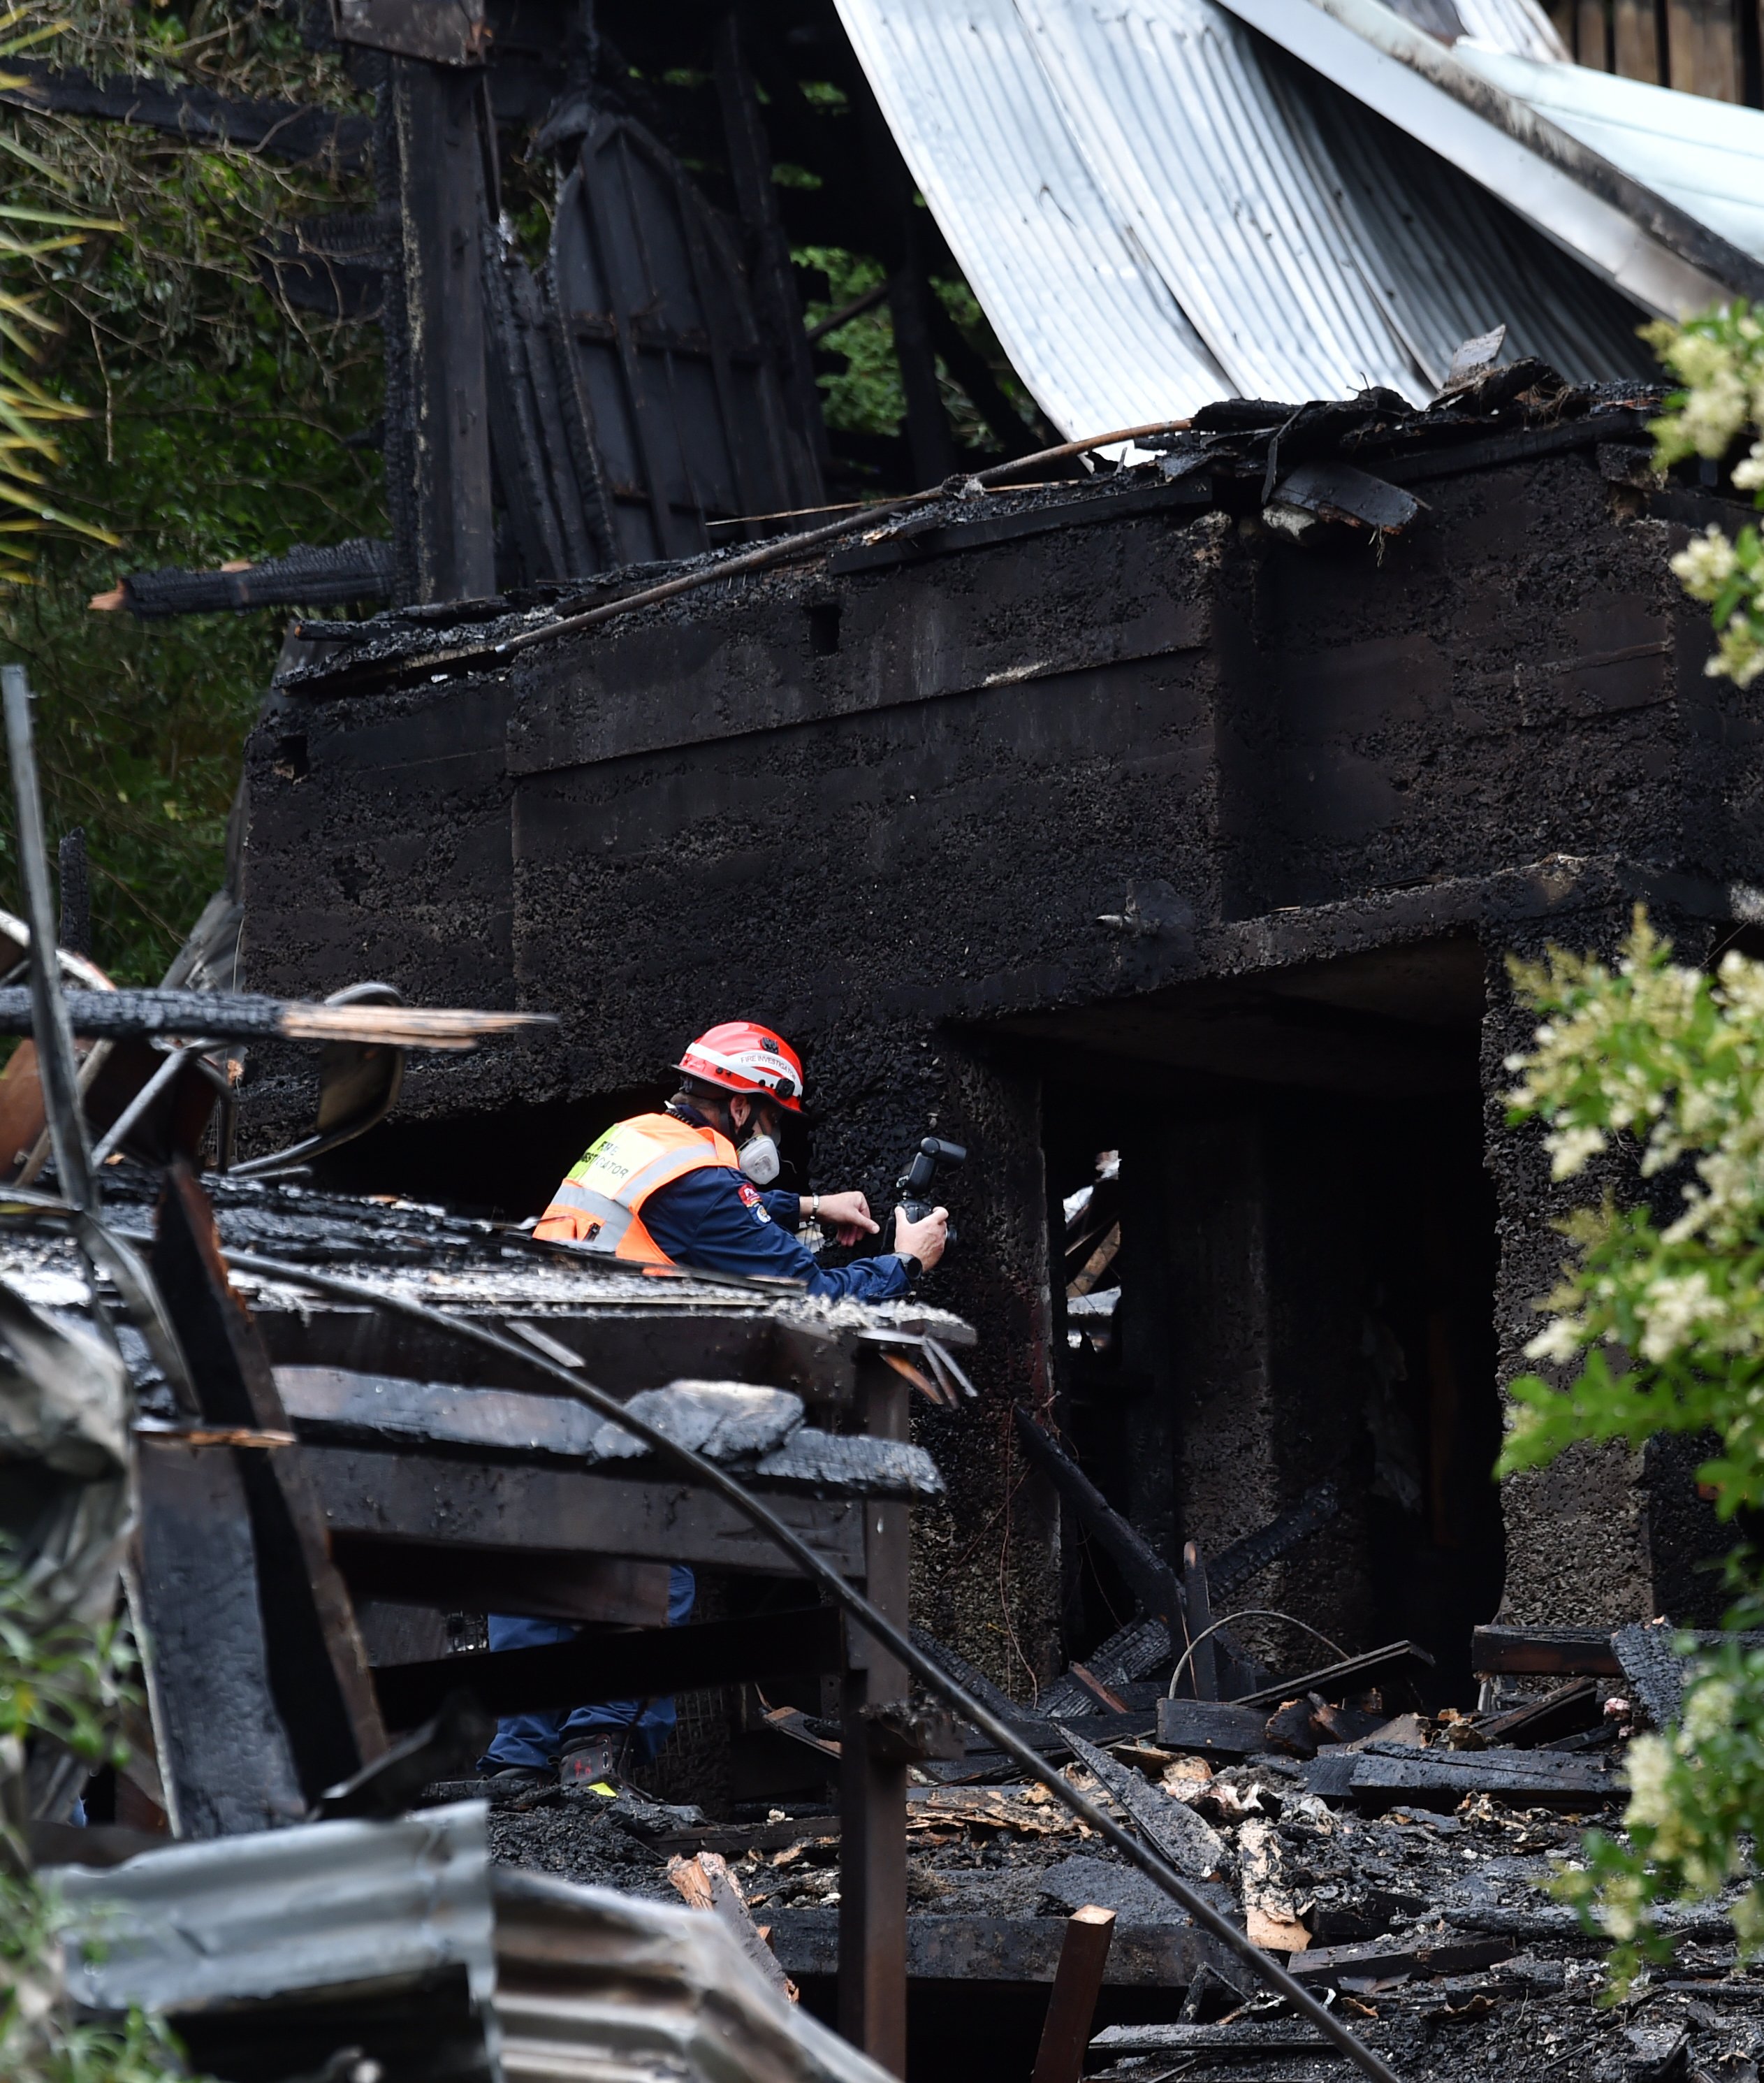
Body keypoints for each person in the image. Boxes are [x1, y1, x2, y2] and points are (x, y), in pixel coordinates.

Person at [479, 1022, 949, 1788]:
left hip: (538, 1383)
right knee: (642, 1575)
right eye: (768, 1119)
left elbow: (706, 1214)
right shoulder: (702, 1178)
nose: (768, 1135)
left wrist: (803, 1205)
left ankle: (517, 1765)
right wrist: (904, 1262)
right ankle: (598, 1765)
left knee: (542, 1568)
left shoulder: (634, 1138)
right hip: (622, 1396)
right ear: (740, 1108)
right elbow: (810, 1294)